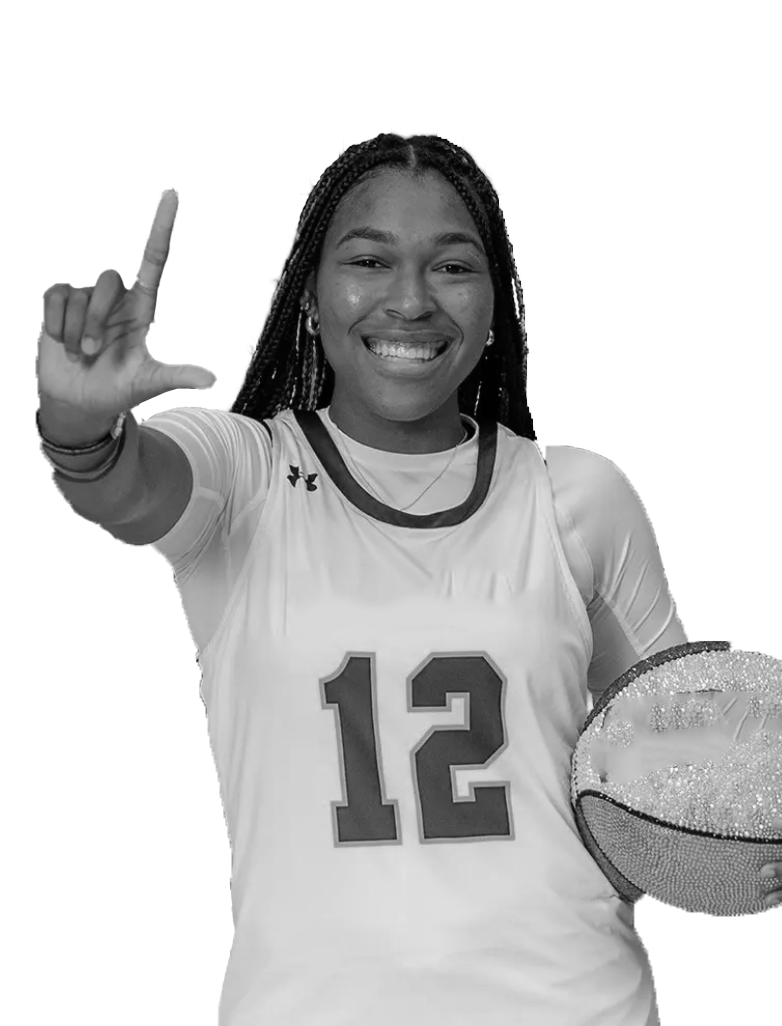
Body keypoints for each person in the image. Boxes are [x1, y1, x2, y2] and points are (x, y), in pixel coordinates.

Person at [35, 133, 691, 1026]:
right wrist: (80, 424)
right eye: (369, 261)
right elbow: (132, 486)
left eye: (453, 266)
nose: (412, 300)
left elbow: (680, 756)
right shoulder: (250, 477)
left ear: (497, 299)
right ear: (310, 294)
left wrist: (666, 845)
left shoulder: (576, 498)